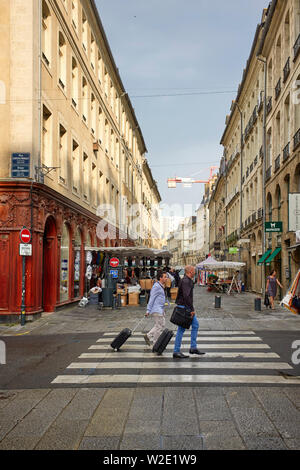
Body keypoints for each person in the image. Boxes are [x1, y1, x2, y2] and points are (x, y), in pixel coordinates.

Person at [173, 265, 205, 359]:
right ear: (190, 271)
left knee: (195, 325)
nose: (195, 272)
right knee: (181, 329)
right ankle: (176, 351)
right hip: (185, 307)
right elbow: (187, 296)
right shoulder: (186, 281)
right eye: (194, 270)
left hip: (185, 306)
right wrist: (191, 309)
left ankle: (193, 347)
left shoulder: (186, 280)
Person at [144, 271, 168, 354]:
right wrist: (148, 310)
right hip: (156, 309)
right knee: (159, 326)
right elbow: (152, 298)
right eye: (165, 276)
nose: (166, 278)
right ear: (160, 278)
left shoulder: (160, 286)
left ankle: (149, 336)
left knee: (161, 325)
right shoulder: (156, 286)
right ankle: (155, 344)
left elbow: (160, 297)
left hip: (160, 309)